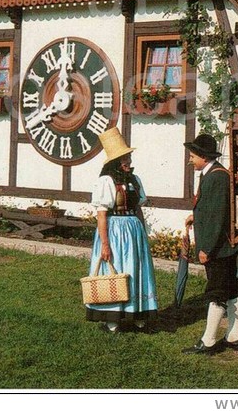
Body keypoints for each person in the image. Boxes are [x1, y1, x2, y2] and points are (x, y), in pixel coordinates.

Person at [85, 127, 158, 333]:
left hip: (134, 231)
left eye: (128, 156)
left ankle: (137, 313)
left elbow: (138, 209)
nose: (128, 161)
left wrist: (143, 233)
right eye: (124, 157)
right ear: (115, 162)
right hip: (114, 231)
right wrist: (105, 245)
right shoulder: (106, 181)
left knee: (136, 269)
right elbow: (101, 214)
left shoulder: (135, 180)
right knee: (116, 267)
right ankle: (113, 316)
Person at [181, 133, 238, 356]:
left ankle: (208, 341)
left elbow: (218, 216)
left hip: (218, 247)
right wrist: (195, 217)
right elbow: (209, 209)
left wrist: (207, 248)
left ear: (203, 157)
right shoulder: (210, 174)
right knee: (230, 288)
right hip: (223, 245)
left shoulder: (217, 177)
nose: (190, 159)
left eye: (192, 155)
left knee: (216, 291)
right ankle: (234, 336)